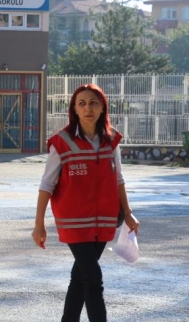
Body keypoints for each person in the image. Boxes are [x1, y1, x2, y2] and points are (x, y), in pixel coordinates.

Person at [32, 83, 140, 322]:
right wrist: (38, 224)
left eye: (93, 102)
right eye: (81, 103)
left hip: (104, 222)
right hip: (74, 223)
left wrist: (128, 213)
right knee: (94, 279)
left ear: (102, 108)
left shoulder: (111, 141)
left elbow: (119, 178)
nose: (87, 107)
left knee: (80, 278)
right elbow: (46, 185)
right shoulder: (61, 143)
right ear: (75, 110)